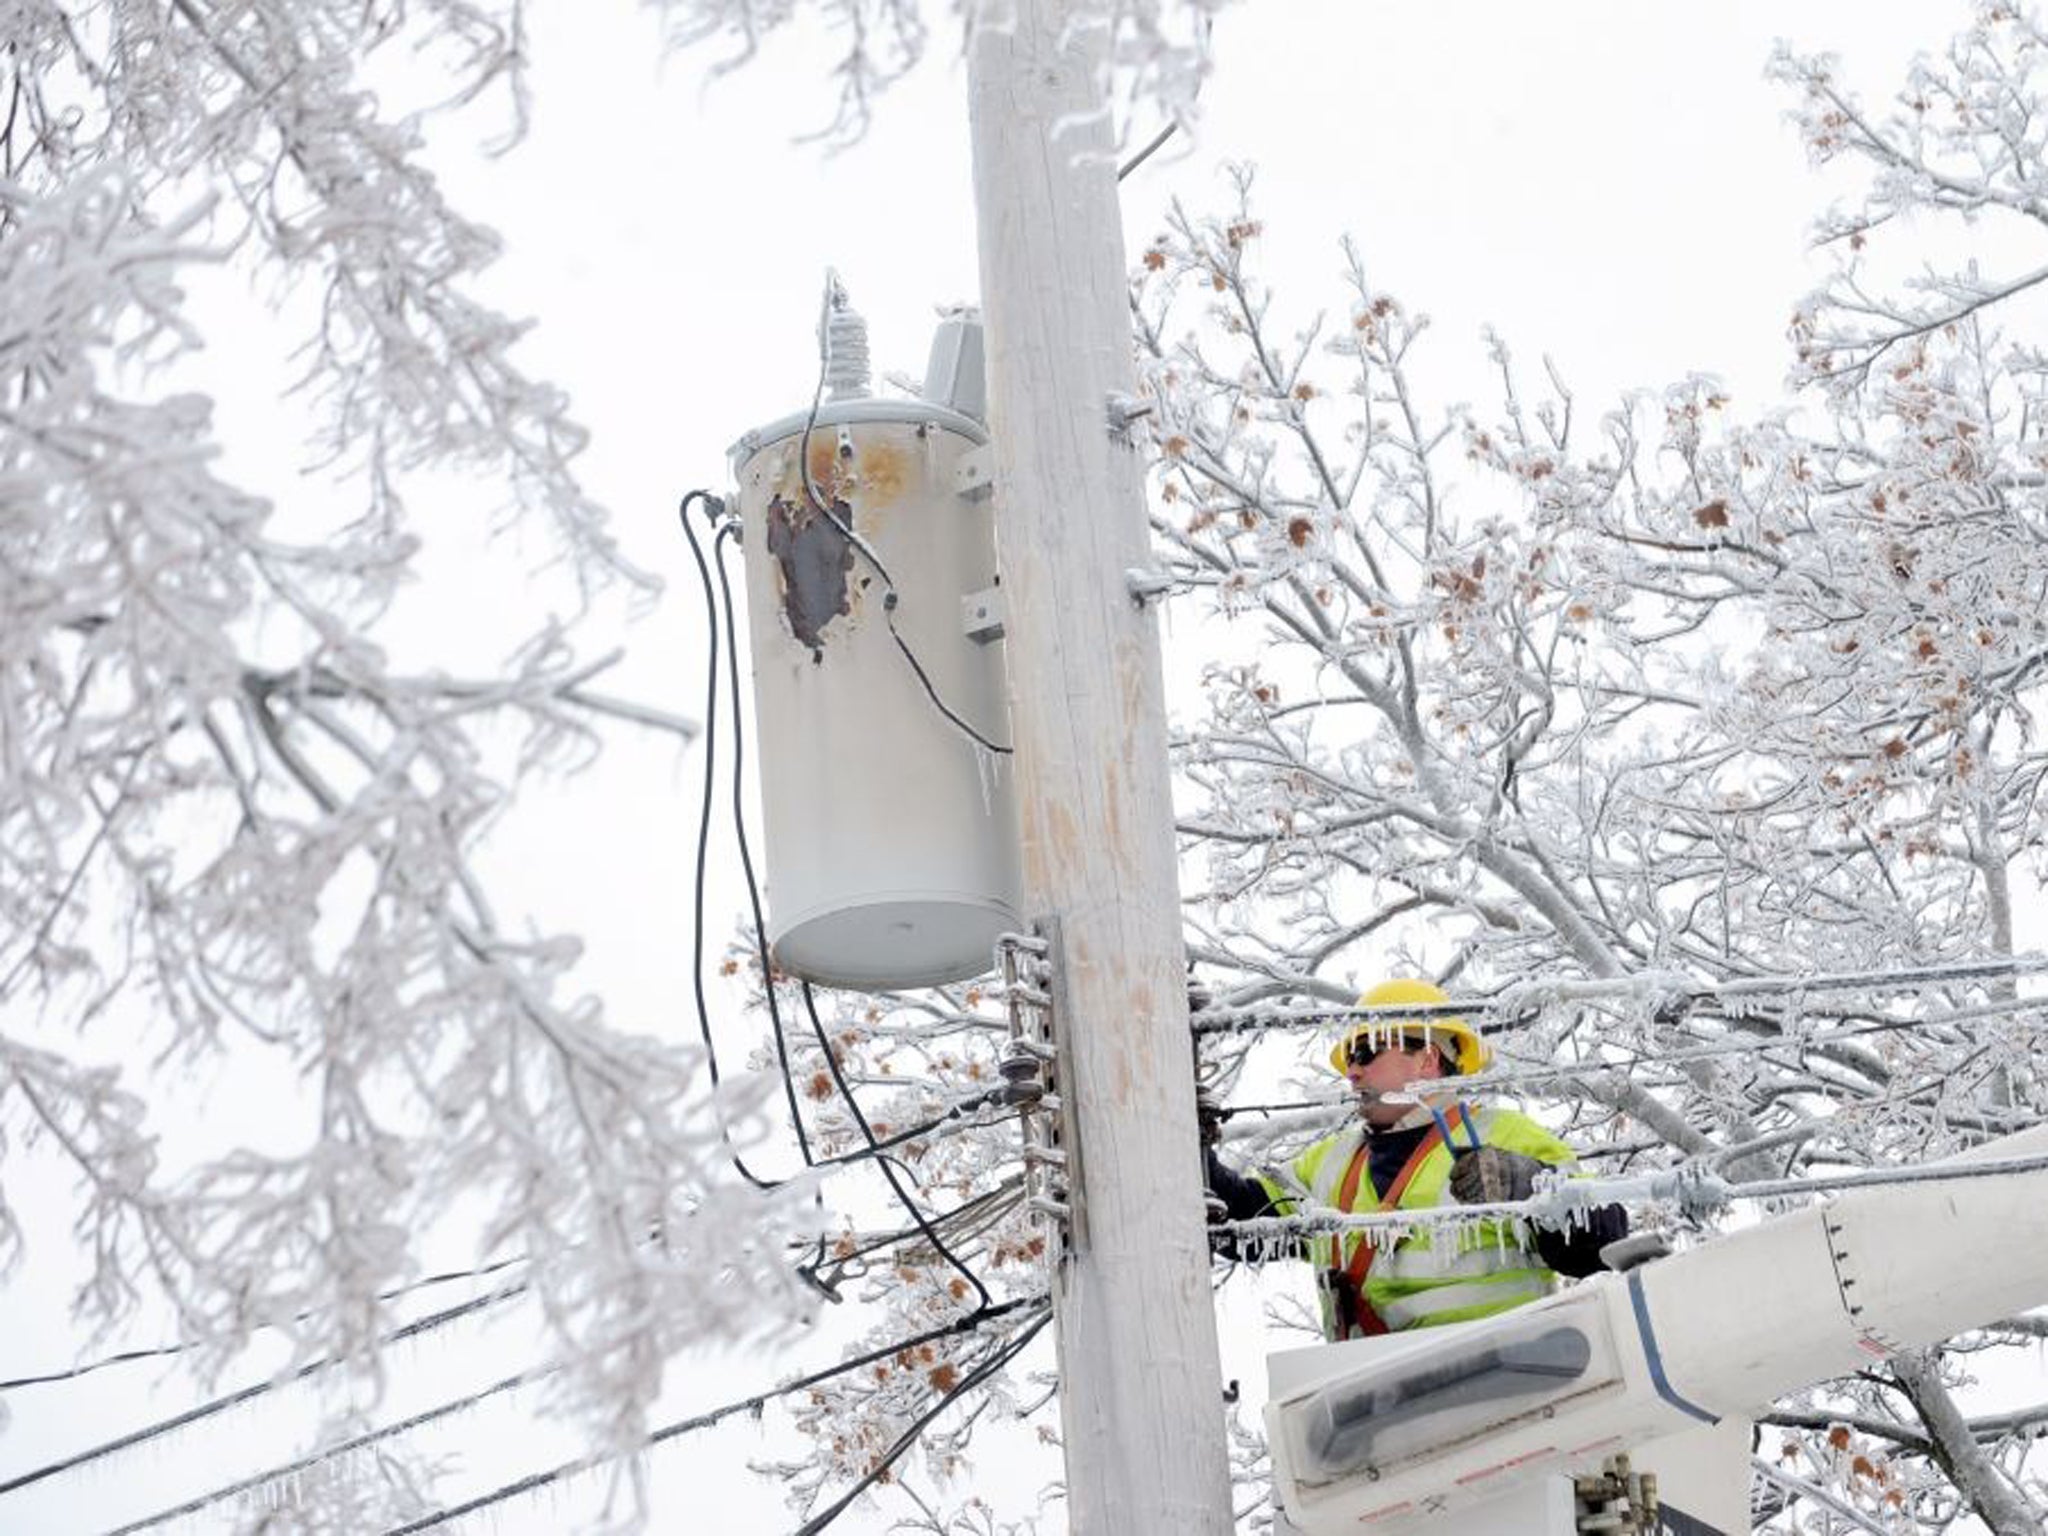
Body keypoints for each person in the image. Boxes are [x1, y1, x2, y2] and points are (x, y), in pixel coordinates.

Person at [1202, 978, 1627, 1341]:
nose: (1352, 1072)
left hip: (1509, 1379)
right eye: (1349, 1060)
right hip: (1377, 1405)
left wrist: (1527, 1183)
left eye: (1366, 1053)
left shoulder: (1506, 1136)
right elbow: (1240, 1219)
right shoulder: (1332, 1163)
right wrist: (1189, 1138)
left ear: (1427, 1058)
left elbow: (1604, 1240)